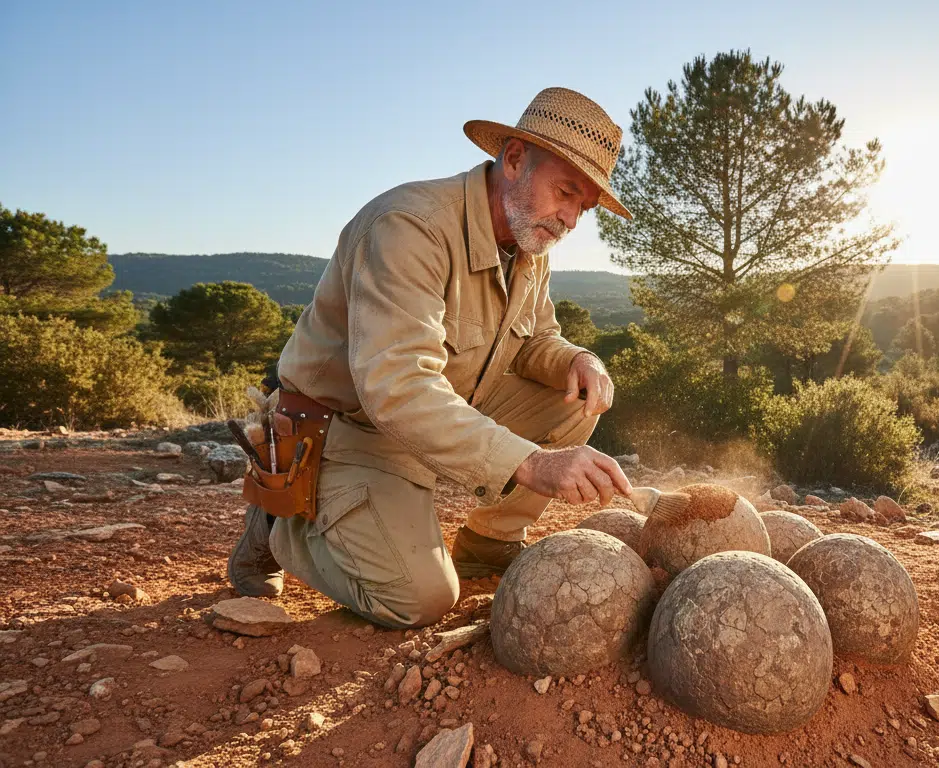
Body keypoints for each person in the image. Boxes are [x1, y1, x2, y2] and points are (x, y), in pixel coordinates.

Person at [228, 87, 634, 628]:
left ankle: (488, 544)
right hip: (346, 431)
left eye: (582, 206)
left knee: (576, 401)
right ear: (514, 159)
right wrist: (530, 463)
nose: (570, 221)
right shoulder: (410, 226)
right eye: (564, 192)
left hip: (435, 416)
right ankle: (282, 520)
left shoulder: (527, 241)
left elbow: (536, 341)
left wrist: (580, 360)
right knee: (419, 599)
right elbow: (396, 387)